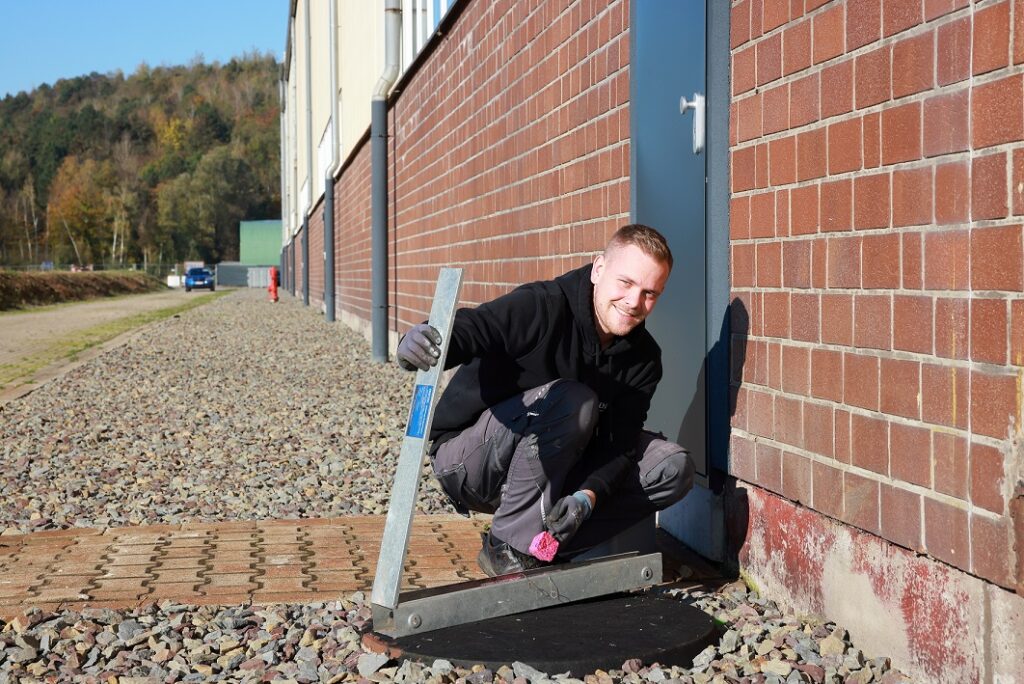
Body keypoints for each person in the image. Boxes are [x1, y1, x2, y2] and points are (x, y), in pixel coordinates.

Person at [396, 224, 694, 576]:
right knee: (574, 400)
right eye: (625, 283)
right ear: (599, 269)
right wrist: (421, 340)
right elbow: (476, 327)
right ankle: (505, 548)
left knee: (672, 467)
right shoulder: (543, 306)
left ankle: (546, 546)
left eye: (650, 293)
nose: (634, 302)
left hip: (557, 470)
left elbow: (620, 446)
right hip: (471, 461)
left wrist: (587, 497)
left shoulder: (644, 359)